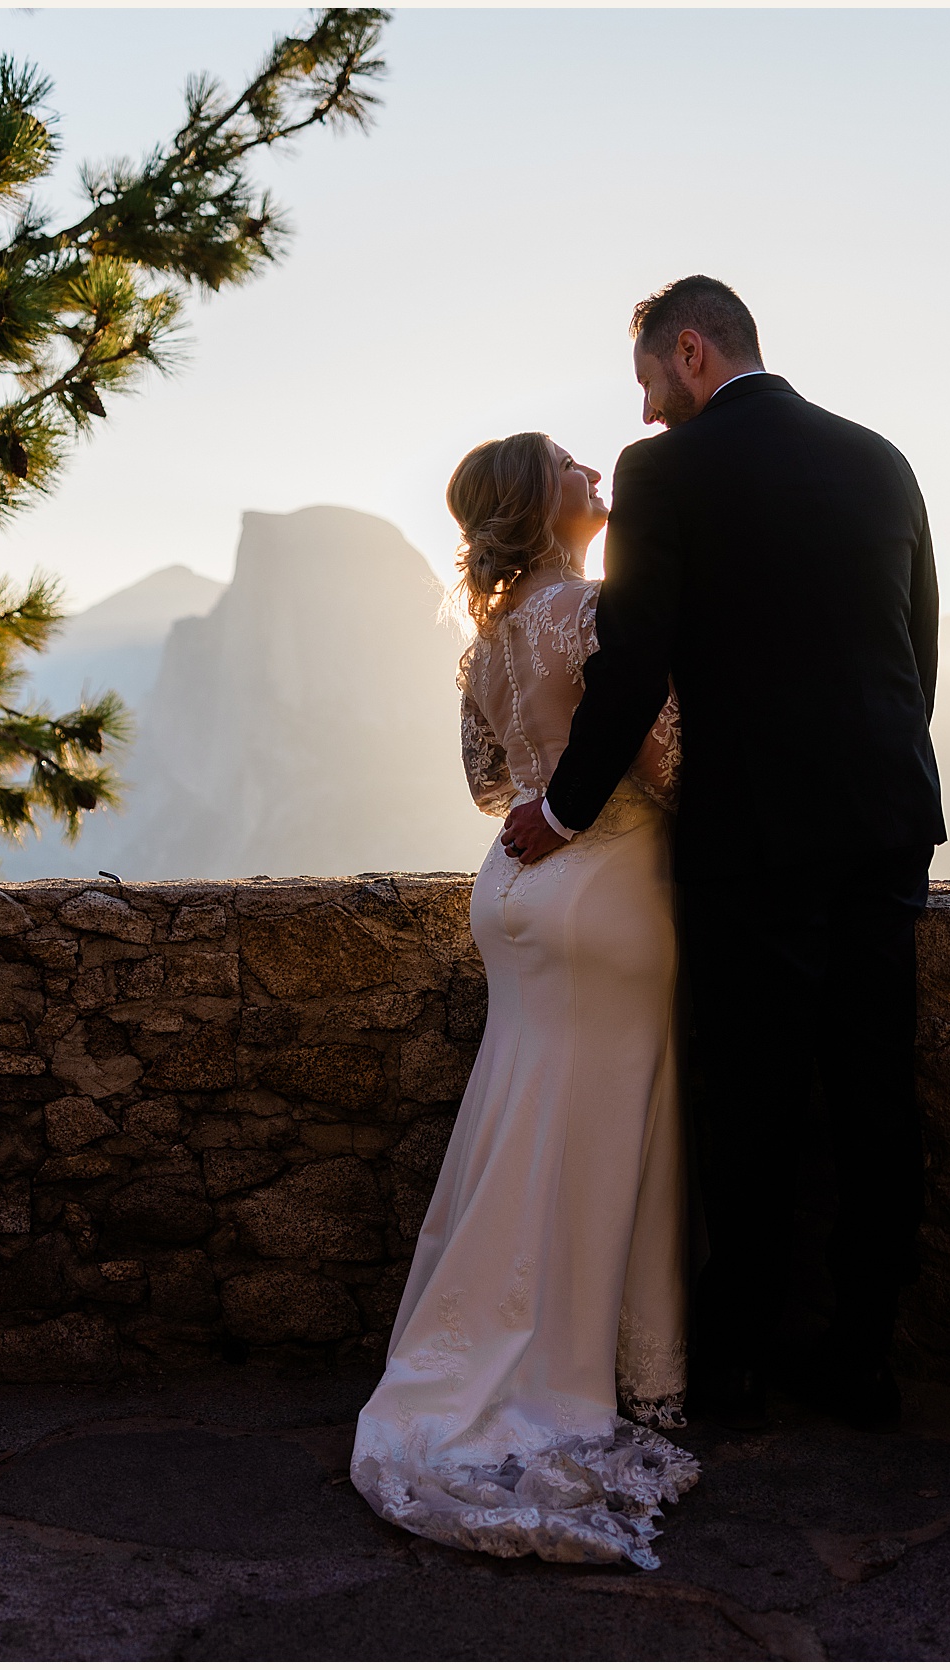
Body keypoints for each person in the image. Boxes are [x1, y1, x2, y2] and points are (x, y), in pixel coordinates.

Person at [500, 275, 945, 1434]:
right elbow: (918, 649)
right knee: (871, 1095)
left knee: (749, 1102)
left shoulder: (667, 473)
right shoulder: (880, 457)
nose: (644, 413)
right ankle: (864, 1359)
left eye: (649, 380)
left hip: (754, 834)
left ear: (690, 352)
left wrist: (561, 807)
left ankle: (736, 1365)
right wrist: (877, 781)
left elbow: (631, 662)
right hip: (885, 819)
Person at [350, 430, 698, 1571]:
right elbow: (666, 760)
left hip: (510, 890)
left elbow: (488, 780)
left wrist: (549, 774)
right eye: (567, 463)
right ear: (536, 502)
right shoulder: (591, 610)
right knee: (601, 1124)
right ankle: (580, 1366)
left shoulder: (492, 635)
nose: (593, 471)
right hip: (605, 885)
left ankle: (484, 1344)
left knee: (518, 1117)